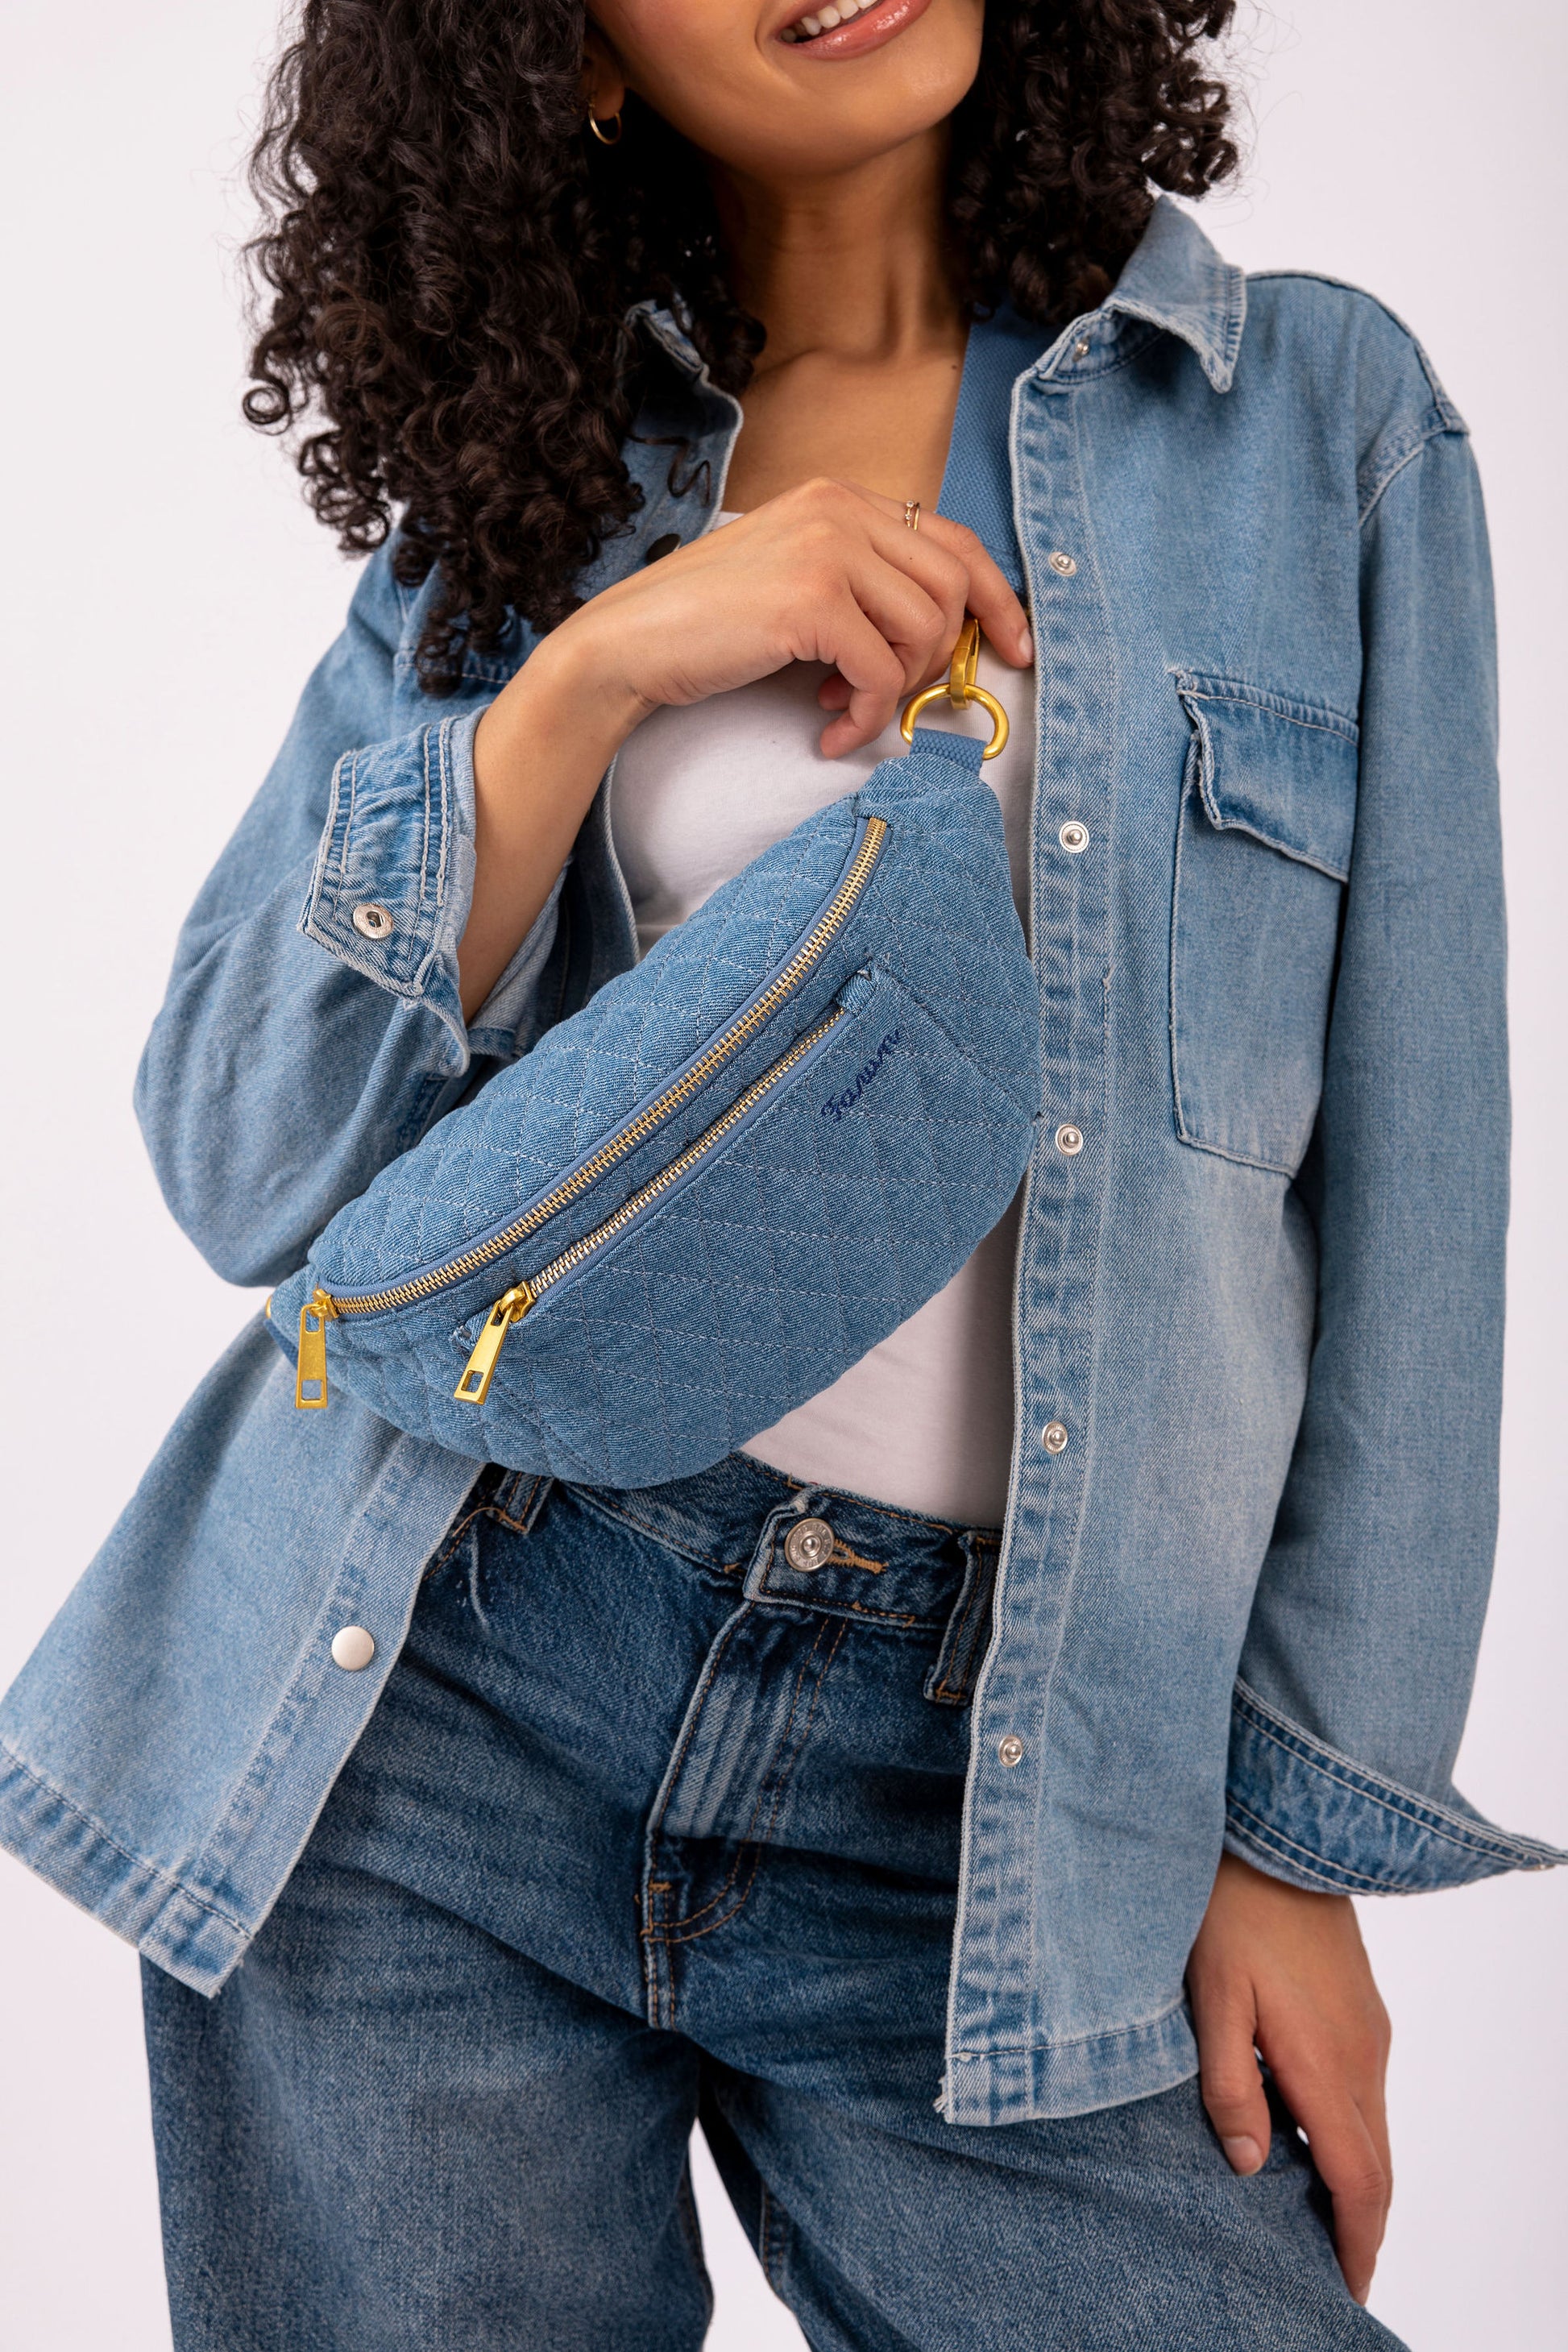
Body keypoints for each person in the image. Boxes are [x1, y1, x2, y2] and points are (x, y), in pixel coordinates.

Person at [0, 0, 1559, 2344]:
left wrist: (1292, 1839)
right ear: (577, 54)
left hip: (1018, 1791)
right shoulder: (525, 507)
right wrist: (585, 680)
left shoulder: (1300, 420)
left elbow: (1423, 1180)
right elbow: (241, 1152)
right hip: (442, 1700)